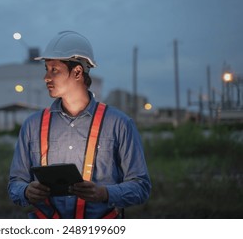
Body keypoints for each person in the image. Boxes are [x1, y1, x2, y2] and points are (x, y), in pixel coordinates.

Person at [8, 31, 151, 219]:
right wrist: (26, 191)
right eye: (46, 69)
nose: (46, 77)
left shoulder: (119, 124)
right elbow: (15, 184)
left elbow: (141, 186)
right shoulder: (32, 126)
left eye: (54, 70)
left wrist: (104, 194)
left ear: (77, 72)